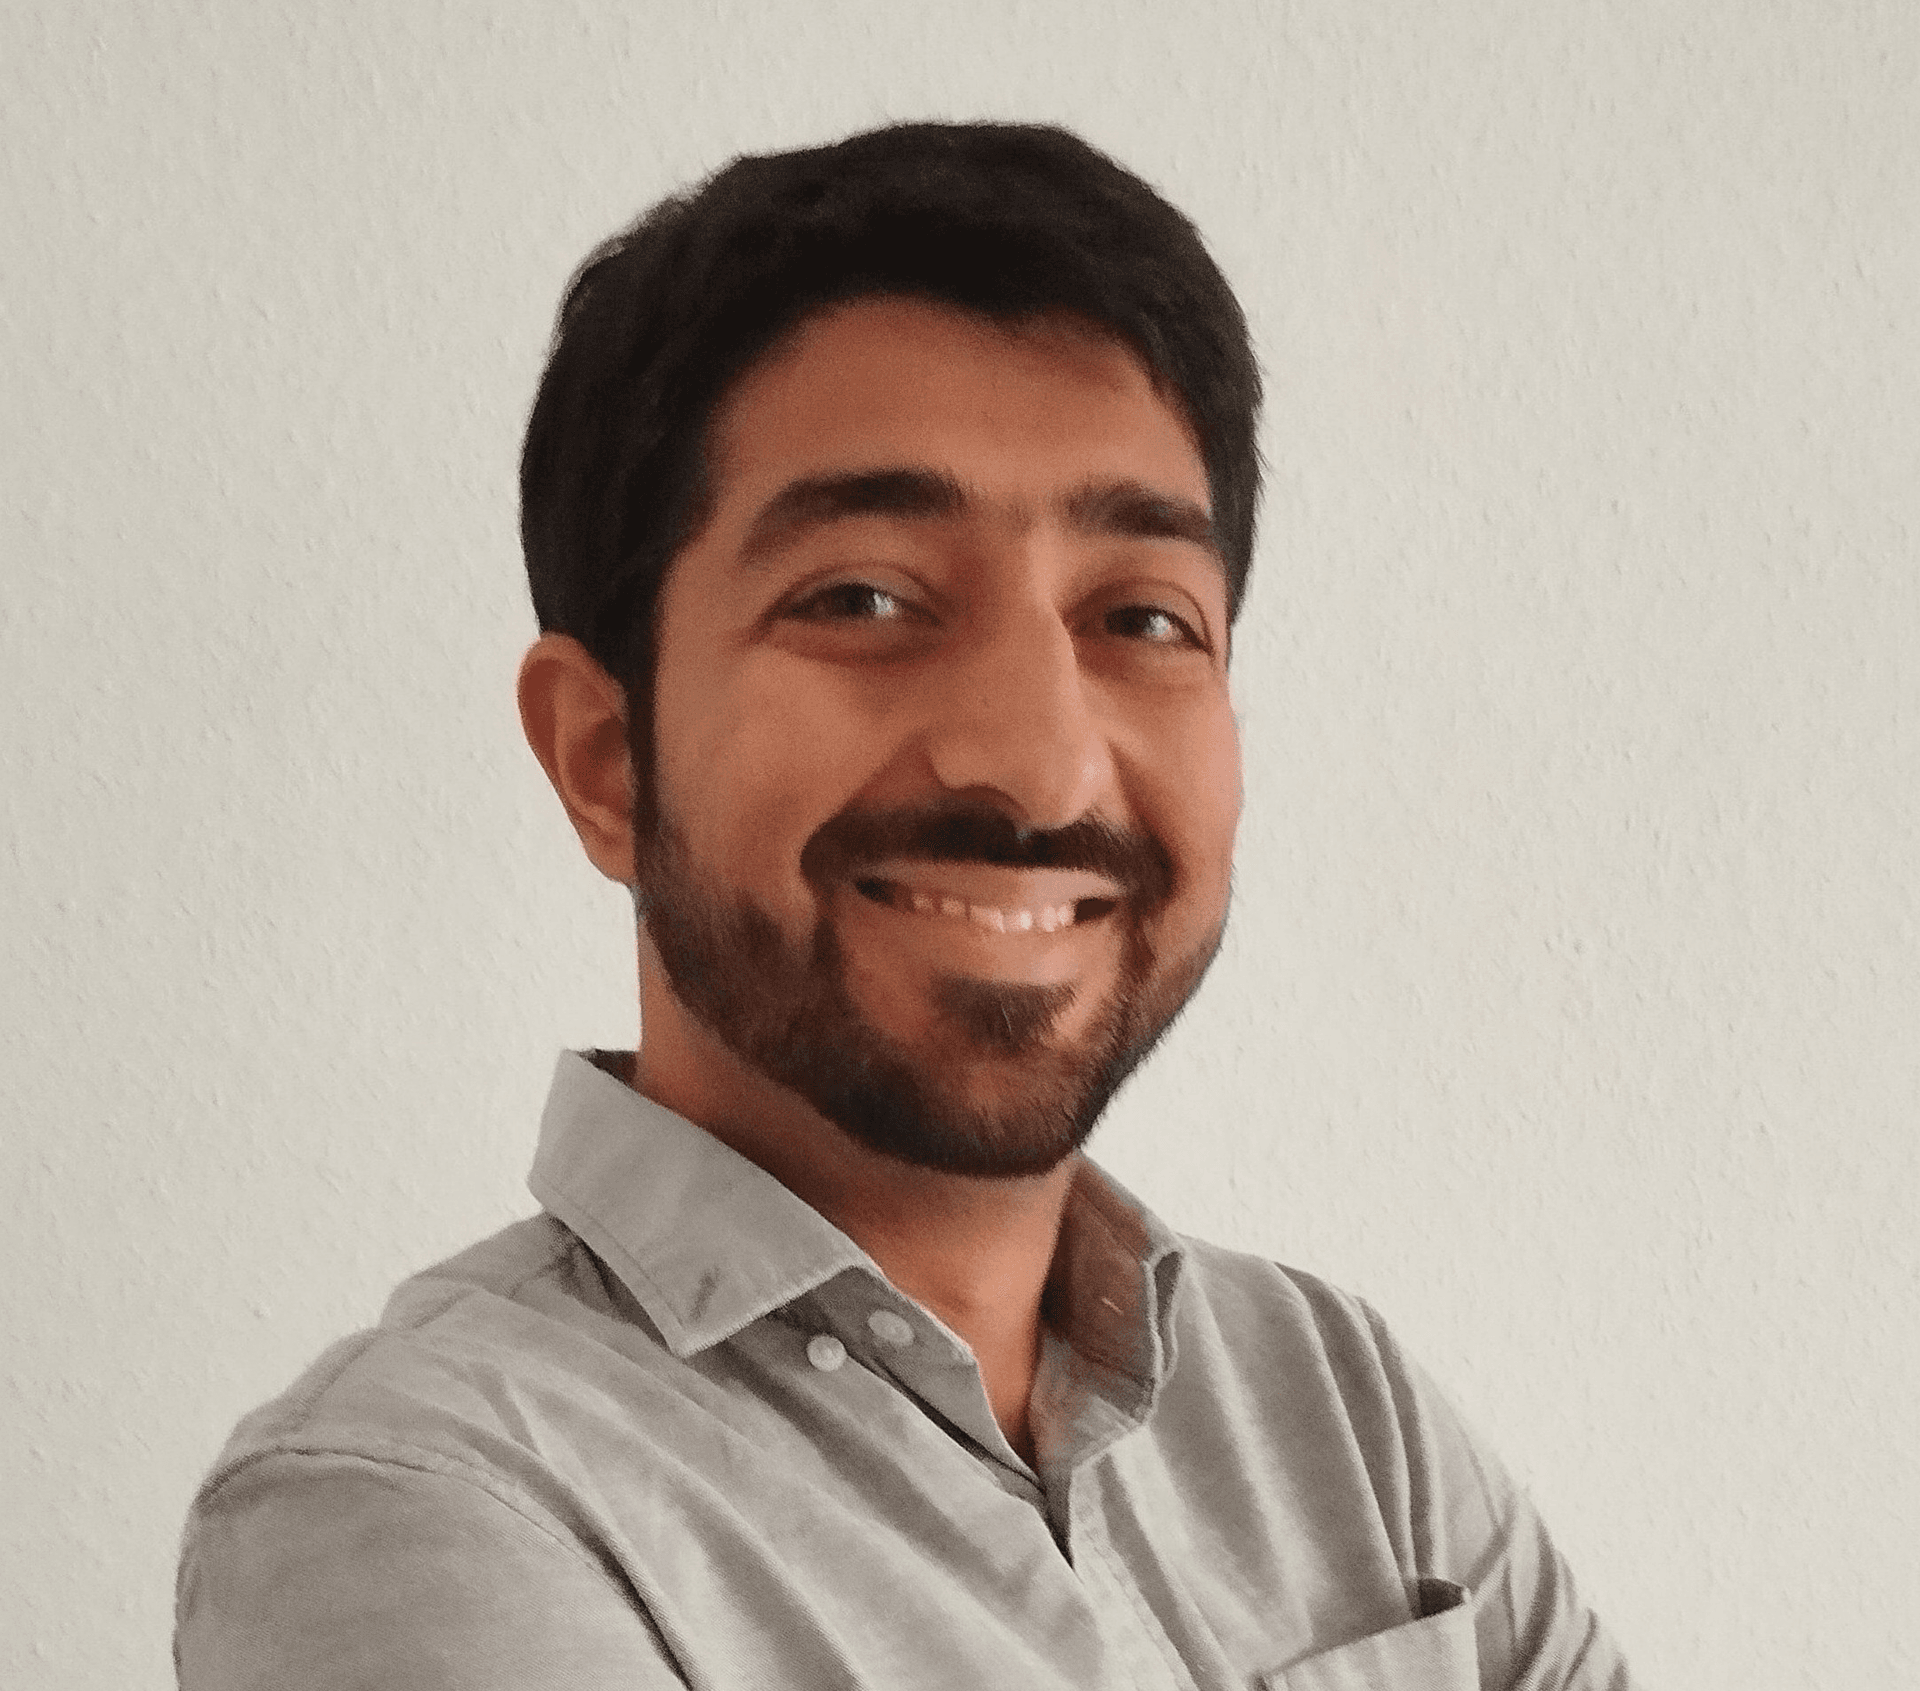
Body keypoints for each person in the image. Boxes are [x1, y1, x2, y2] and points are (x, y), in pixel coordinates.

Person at [175, 122, 1631, 1690]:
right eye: (862, 599)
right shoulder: (418, 1506)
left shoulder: (1342, 1419)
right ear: (606, 756)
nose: (1035, 760)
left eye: (1143, 614)